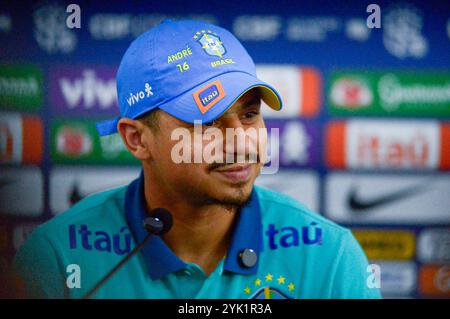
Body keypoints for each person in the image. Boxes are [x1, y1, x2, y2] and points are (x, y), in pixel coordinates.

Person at [14, 19, 381, 299]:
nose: (240, 140)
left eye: (249, 115)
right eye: (206, 123)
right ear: (137, 139)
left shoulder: (329, 256)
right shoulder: (57, 257)